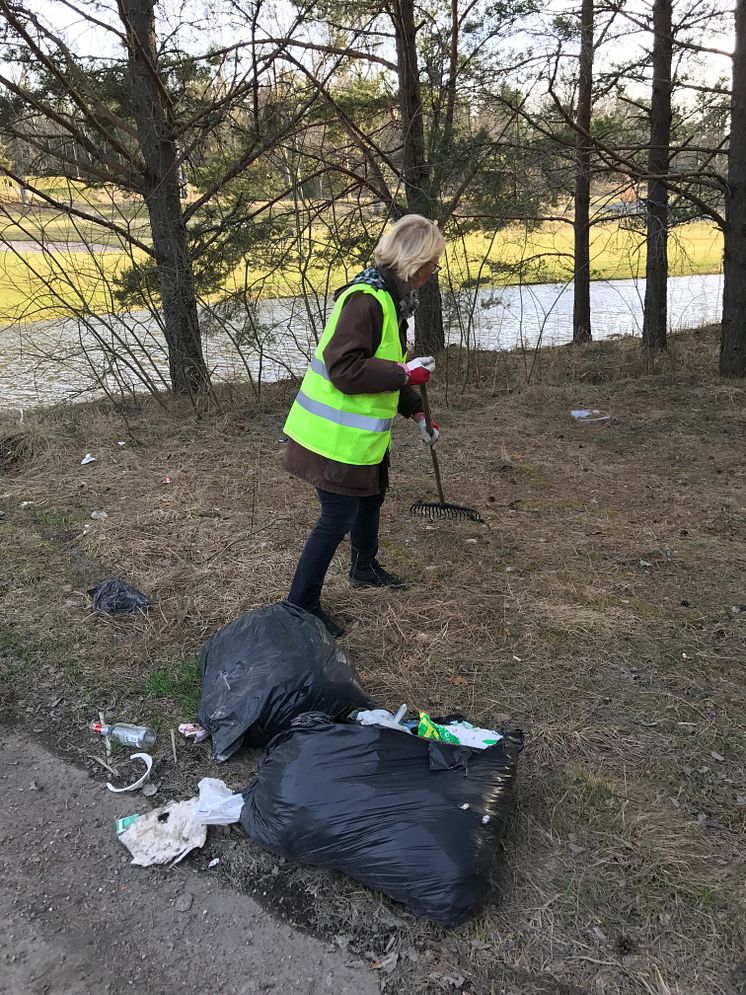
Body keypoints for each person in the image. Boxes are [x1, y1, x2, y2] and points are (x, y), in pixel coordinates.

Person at [283, 214, 445, 638]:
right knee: (335, 518)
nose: (434, 273)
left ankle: (364, 568)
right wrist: (404, 375)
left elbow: (387, 360)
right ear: (416, 261)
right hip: (331, 438)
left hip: (358, 437)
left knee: (372, 495)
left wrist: (415, 409)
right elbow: (344, 368)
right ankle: (300, 606)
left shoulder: (391, 299)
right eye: (433, 264)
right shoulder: (366, 299)